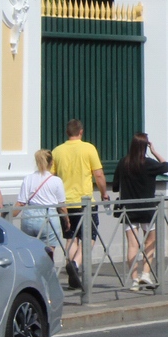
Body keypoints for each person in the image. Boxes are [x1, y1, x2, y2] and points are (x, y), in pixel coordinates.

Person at [52, 118, 108, 291]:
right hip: (85, 203)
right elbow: (98, 174)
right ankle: (75, 264)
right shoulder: (88, 148)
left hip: (64, 203)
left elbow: (52, 176)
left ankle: (72, 276)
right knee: (89, 237)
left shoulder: (57, 151)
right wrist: (104, 193)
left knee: (70, 237)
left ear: (67, 132)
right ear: (81, 132)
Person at [113, 133, 168, 291]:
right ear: (146, 147)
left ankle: (134, 280)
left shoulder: (123, 163)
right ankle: (146, 274)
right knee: (150, 242)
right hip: (147, 209)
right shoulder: (149, 163)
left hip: (129, 210)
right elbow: (166, 167)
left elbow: (115, 186)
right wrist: (155, 152)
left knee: (132, 245)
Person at [15, 149, 66, 250]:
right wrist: (67, 221)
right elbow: (62, 206)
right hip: (48, 217)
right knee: (48, 253)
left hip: (28, 216)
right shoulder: (56, 181)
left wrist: (7, 216)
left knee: (30, 251)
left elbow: (21, 203)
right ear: (51, 162)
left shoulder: (28, 178)